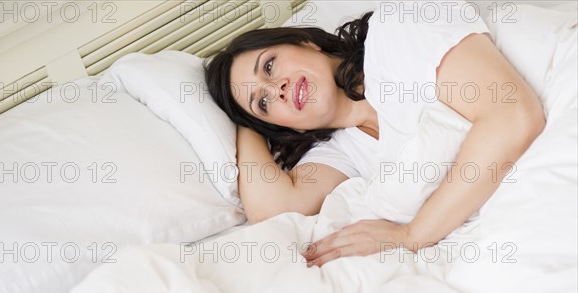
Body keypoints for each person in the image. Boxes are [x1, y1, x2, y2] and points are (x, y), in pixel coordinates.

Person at [204, 1, 546, 267]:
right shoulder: (343, 150)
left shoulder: (397, 31)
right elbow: (272, 210)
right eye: (263, 101)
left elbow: (515, 115)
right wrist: (245, 121)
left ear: (306, 42)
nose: (276, 88)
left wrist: (412, 236)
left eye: (269, 65)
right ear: (288, 128)